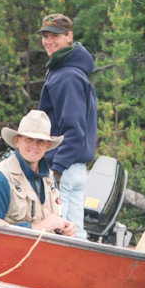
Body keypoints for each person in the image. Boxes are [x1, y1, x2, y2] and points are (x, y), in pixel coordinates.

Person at [37, 13, 97, 240]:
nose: (48, 41)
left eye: (55, 36)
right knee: (75, 234)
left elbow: (74, 131)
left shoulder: (66, 76)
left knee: (64, 235)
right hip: (75, 168)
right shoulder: (65, 70)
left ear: (69, 37)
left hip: (65, 169)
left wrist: (56, 170)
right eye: (45, 36)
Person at [0, 110, 76, 237]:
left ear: (48, 145)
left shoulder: (50, 180)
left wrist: (65, 229)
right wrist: (38, 228)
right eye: (29, 139)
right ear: (17, 141)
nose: (35, 146)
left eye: (41, 141)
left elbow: (54, 225)